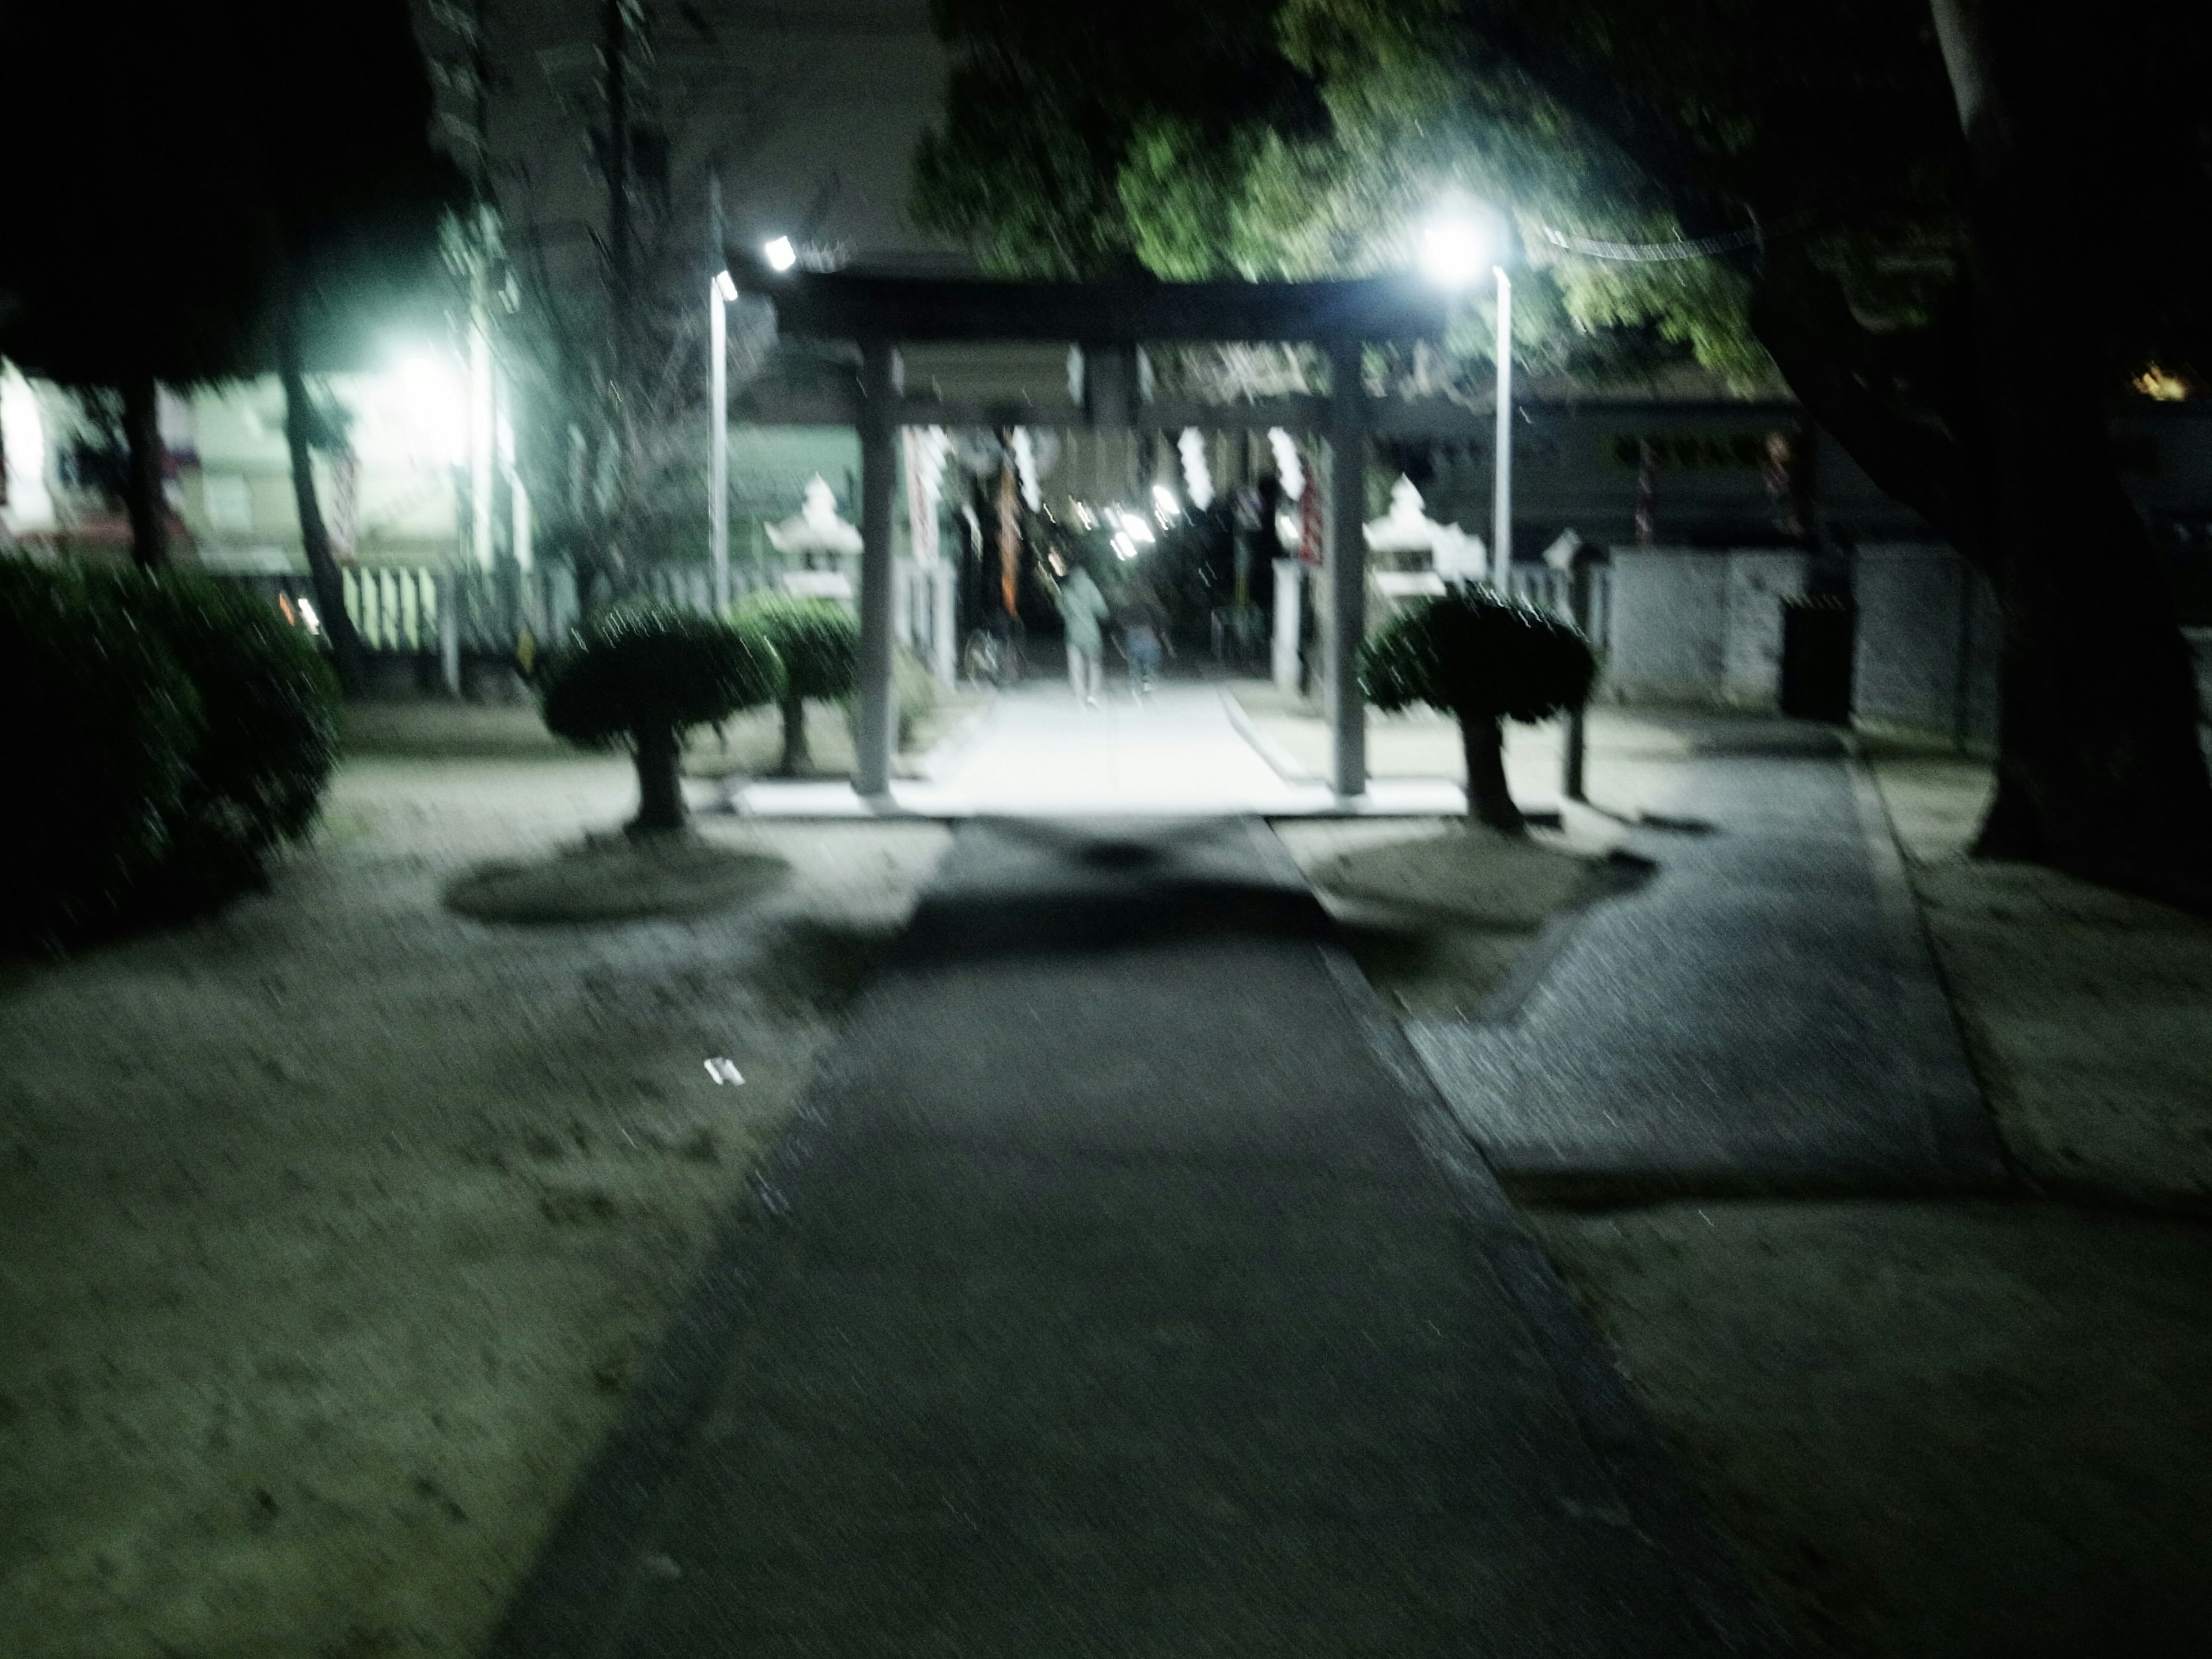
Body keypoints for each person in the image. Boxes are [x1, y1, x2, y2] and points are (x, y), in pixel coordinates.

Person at [1059, 560, 1109, 706]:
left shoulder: (1067, 590)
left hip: (1073, 635)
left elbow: (1061, 610)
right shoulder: (1091, 587)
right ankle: (1093, 695)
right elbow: (1102, 611)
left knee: (1076, 667)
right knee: (1094, 666)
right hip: (1091, 635)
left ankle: (1080, 694)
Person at [1119, 586, 1170, 698]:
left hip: (1132, 636)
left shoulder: (1127, 607)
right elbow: (1161, 629)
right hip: (1147, 636)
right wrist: (1168, 647)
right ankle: (1147, 683)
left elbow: (1122, 626)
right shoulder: (1152, 607)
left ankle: (1137, 686)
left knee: (1135, 664)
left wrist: (1123, 648)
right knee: (1150, 662)